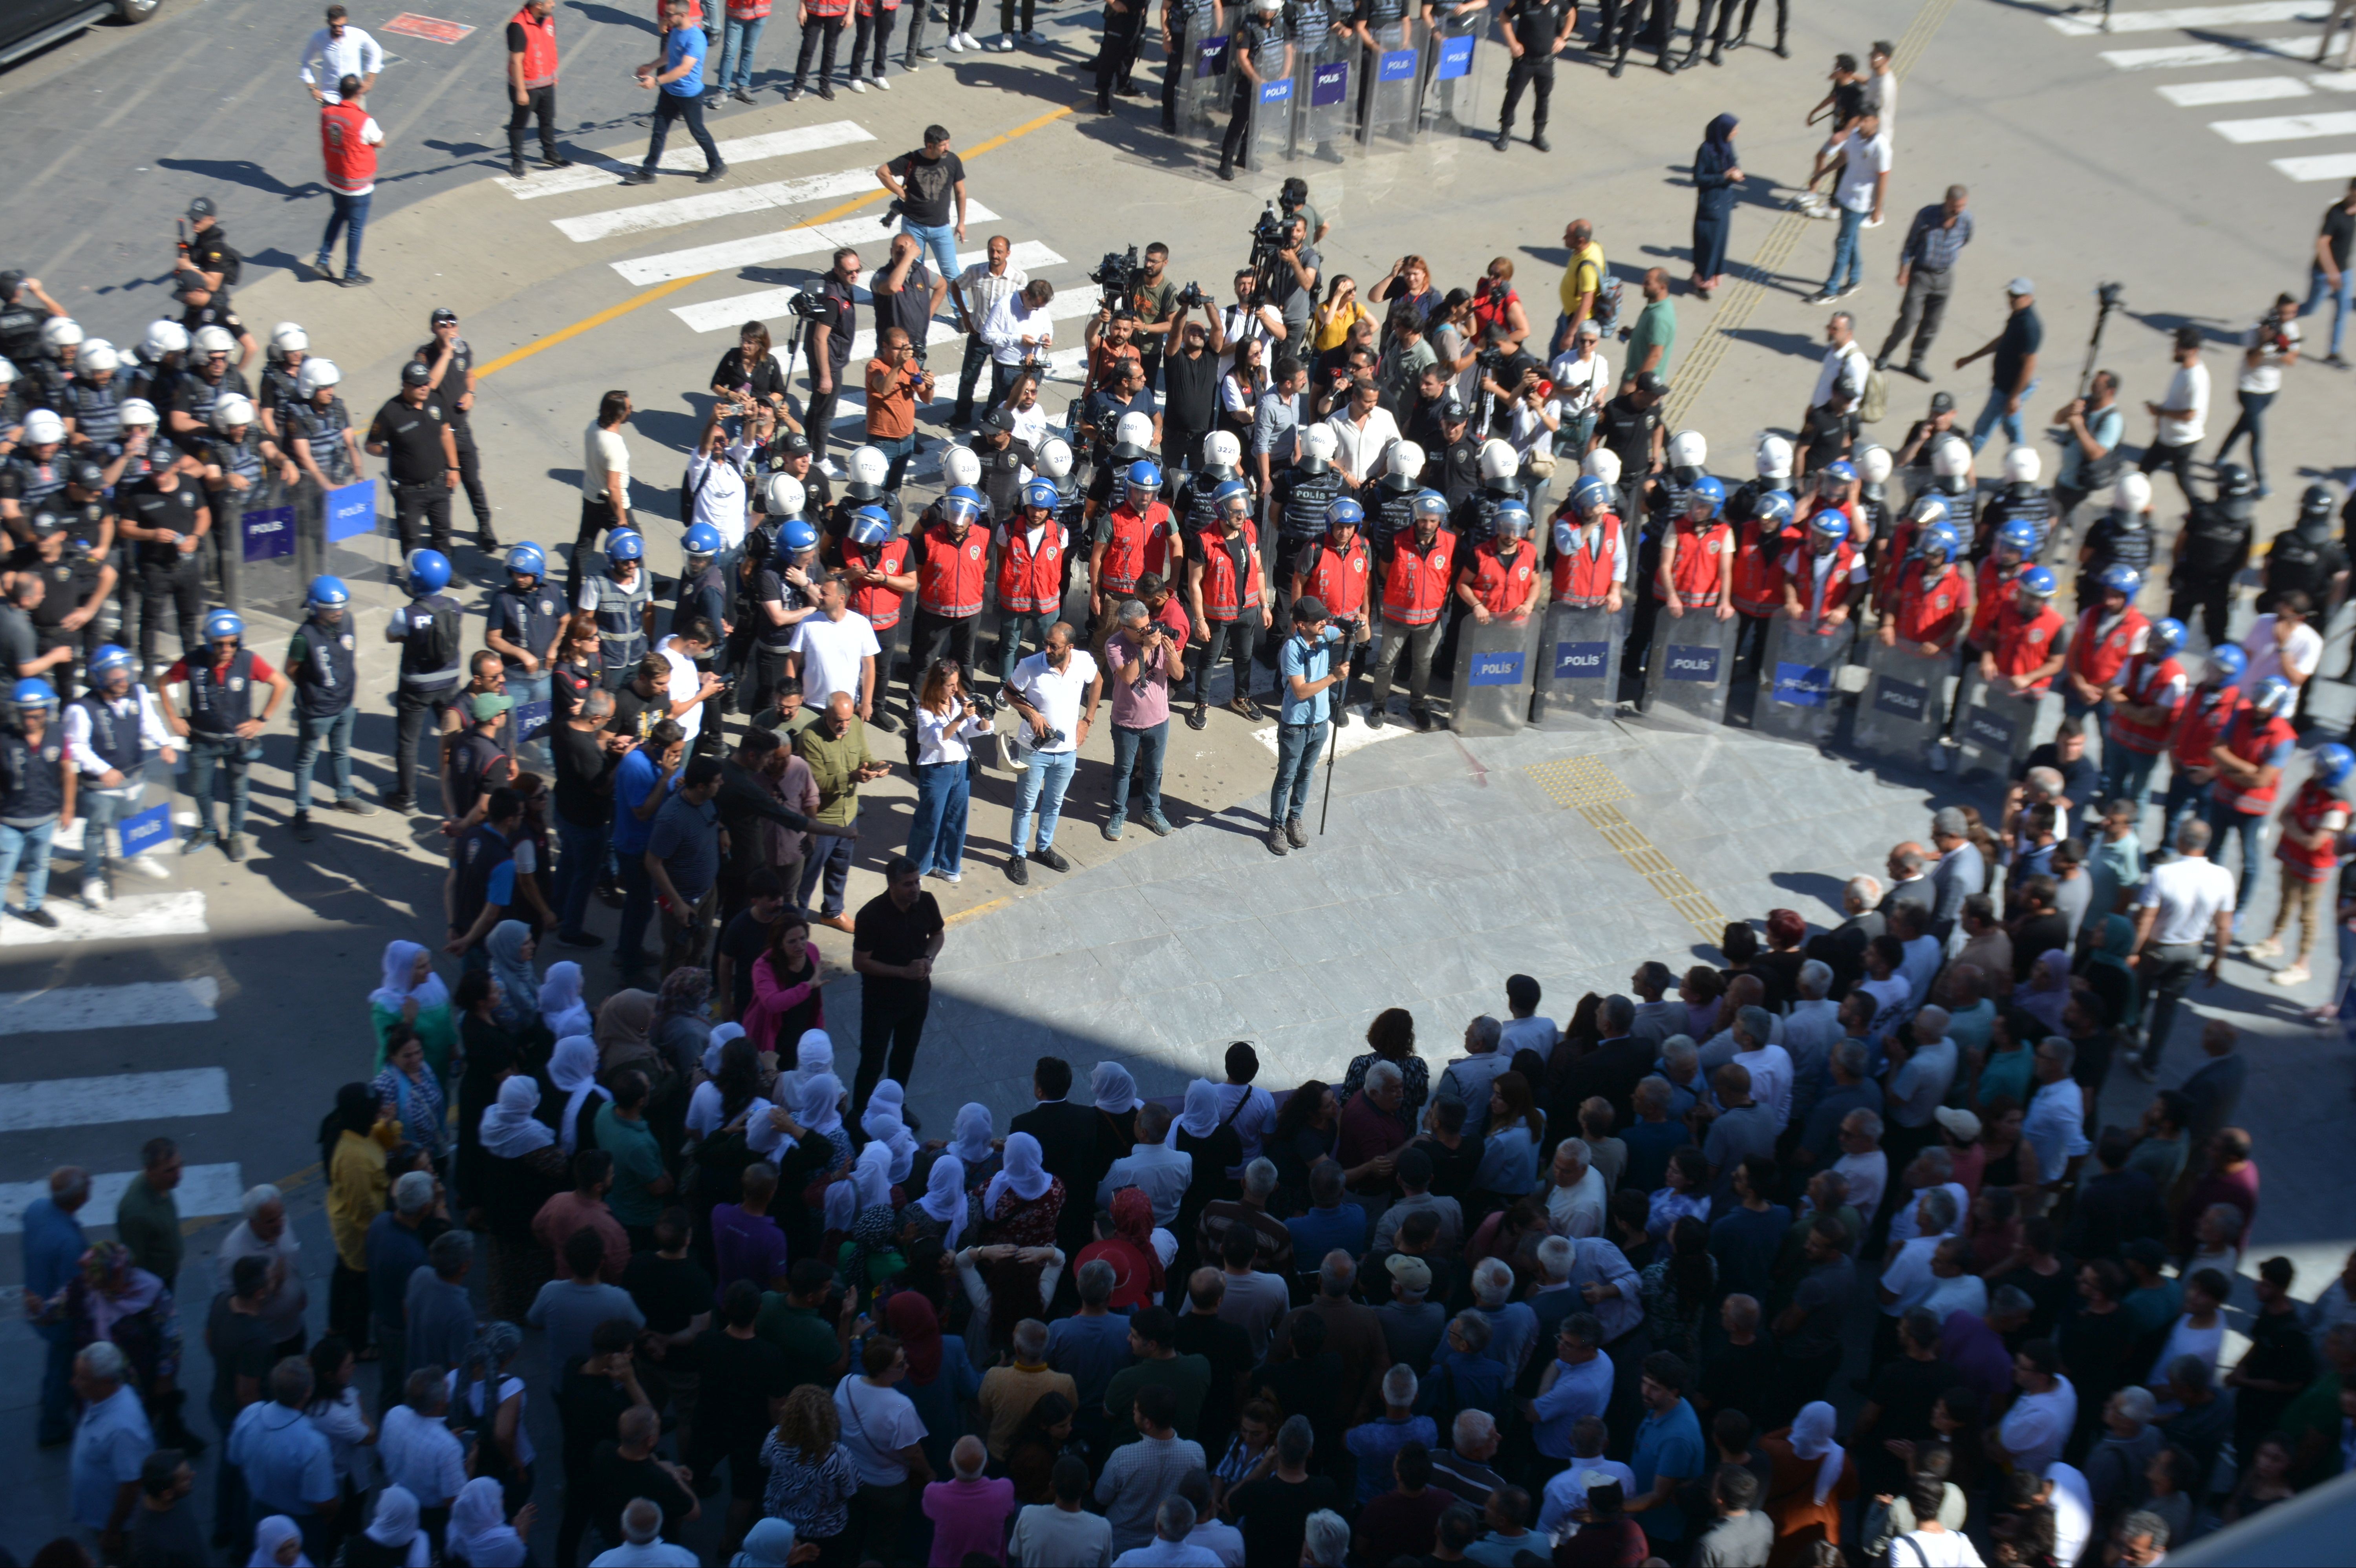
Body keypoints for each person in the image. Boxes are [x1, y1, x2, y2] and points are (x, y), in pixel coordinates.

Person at [1004, 620, 1101, 883]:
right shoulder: (1031, 666)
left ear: (1069, 648)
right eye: (1046, 643)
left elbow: (1098, 681)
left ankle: (1044, 848)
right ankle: (1017, 855)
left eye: (1053, 646)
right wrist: (1031, 713)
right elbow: (1009, 692)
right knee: (1025, 806)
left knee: (1054, 803)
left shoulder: (1082, 661)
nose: (1046, 649)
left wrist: (1087, 721)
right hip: (1034, 751)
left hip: (1067, 752)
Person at [624, 0, 724, 186]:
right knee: (659, 130)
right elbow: (669, 56)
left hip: (689, 95)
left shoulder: (696, 38)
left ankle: (717, 164)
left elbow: (685, 69)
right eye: (666, 14)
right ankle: (648, 171)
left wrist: (657, 81)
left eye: (669, 15)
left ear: (683, 15)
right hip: (670, 91)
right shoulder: (676, 31)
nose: (666, 18)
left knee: (698, 131)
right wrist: (650, 67)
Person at [313, 75, 383, 287]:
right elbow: (380, 142)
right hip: (357, 185)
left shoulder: (327, 114)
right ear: (359, 93)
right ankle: (351, 272)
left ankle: (323, 258)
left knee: (338, 215)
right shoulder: (364, 120)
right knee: (356, 228)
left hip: (335, 180)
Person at [1689, 117, 1743, 298]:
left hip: (1724, 203)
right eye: (1733, 130)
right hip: (1711, 205)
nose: (1735, 133)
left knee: (1719, 243)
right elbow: (1699, 178)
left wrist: (1736, 171)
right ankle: (1702, 282)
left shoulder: (1727, 146)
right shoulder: (1706, 150)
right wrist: (1725, 177)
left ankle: (1710, 276)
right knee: (1708, 243)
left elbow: (1733, 162)